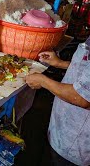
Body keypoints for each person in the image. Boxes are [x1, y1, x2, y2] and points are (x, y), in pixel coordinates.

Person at [25, 37, 90, 165]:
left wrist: (43, 81)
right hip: (63, 128)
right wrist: (60, 63)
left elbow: (82, 97)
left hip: (75, 143)